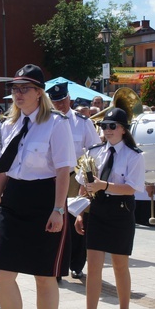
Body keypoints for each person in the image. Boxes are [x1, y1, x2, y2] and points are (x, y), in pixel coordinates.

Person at [0, 64, 74, 309]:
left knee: (44, 278)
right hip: (13, 201)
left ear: (39, 92)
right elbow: (1, 169)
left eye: (25, 88)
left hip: (44, 201)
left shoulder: (56, 124)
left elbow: (63, 170)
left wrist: (59, 209)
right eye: (14, 88)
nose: (17, 94)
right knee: (2, 275)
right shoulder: (8, 126)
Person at [70, 108, 145, 309]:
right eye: (104, 126)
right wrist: (80, 213)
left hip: (120, 209)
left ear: (123, 129)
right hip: (98, 209)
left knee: (120, 265)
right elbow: (84, 184)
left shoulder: (134, 155)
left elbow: (132, 187)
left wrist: (105, 186)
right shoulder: (94, 151)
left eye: (113, 126)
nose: (107, 130)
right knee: (93, 266)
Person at [47, 81, 101, 280]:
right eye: (55, 101)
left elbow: (95, 150)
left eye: (62, 100)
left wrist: (88, 177)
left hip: (76, 176)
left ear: (69, 98)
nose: (60, 105)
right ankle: (57, 265)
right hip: (52, 176)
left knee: (77, 221)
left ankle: (77, 264)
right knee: (55, 220)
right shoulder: (47, 121)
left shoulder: (83, 122)